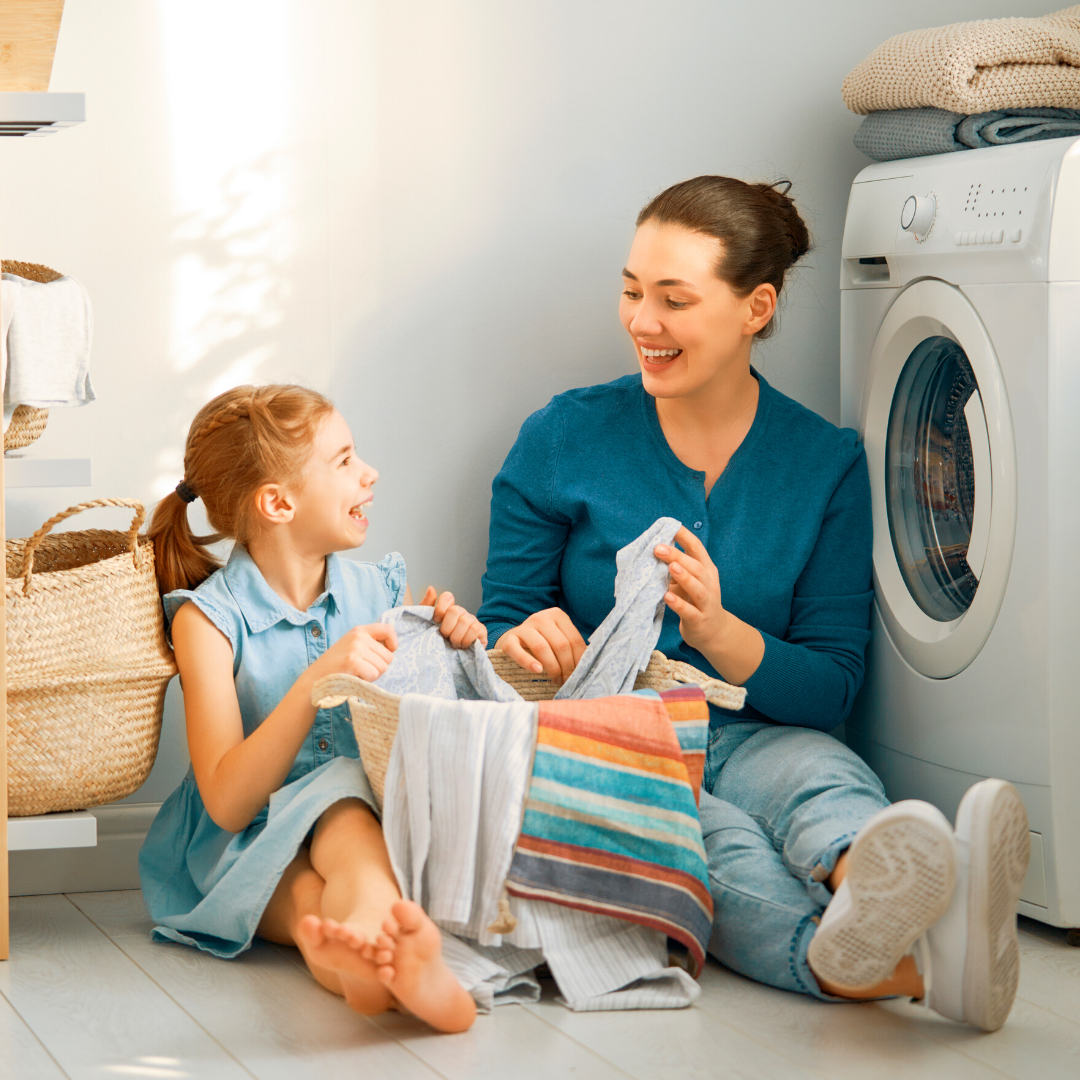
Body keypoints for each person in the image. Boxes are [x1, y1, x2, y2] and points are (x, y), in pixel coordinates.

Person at [477, 176, 1030, 1031]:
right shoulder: (562, 439)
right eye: (631, 291)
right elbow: (502, 622)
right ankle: (928, 958)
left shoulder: (826, 464)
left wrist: (719, 631)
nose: (640, 322)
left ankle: (884, 884)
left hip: (760, 733)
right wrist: (522, 638)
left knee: (823, 781)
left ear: (754, 307)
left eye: (674, 299)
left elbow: (834, 687)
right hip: (619, 746)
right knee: (714, 853)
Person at [139, 384, 479, 1033]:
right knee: (307, 892)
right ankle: (397, 965)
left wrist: (449, 640)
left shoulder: (380, 590)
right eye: (345, 460)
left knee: (333, 875)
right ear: (278, 502)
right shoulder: (209, 622)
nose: (369, 472)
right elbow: (228, 804)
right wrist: (314, 681)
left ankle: (375, 971)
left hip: (352, 826)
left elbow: (414, 729)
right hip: (237, 845)